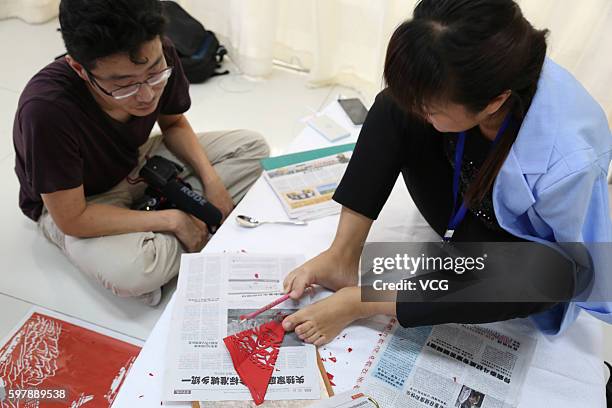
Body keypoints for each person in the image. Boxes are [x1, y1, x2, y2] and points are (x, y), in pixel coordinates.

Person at [281, 0, 612, 346]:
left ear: (494, 102)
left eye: (432, 111)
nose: (421, 114)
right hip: (462, 210)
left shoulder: (571, 158)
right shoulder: (478, 69)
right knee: (393, 105)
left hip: (507, 252)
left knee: (550, 273)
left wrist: (364, 299)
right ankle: (341, 257)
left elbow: (577, 269)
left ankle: (362, 299)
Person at [13, 0, 269, 306]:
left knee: (253, 148)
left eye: (154, 73)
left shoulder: (158, 52)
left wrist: (212, 182)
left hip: (136, 163)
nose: (147, 95)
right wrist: (172, 219)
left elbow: (173, 123)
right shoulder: (47, 110)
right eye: (123, 85)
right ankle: (172, 218)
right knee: (134, 272)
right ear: (80, 69)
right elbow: (72, 218)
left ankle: (159, 222)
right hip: (81, 202)